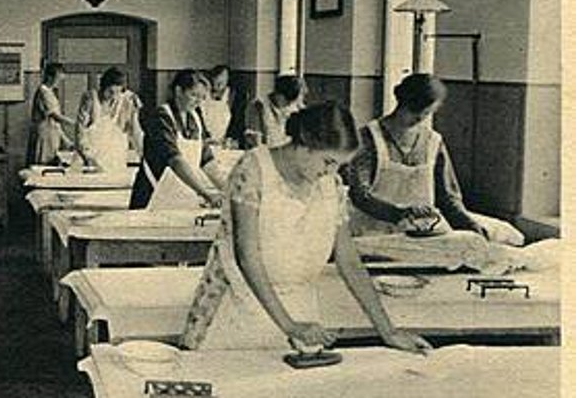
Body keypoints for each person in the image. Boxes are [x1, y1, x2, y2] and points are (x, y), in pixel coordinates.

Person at [179, 102, 431, 354]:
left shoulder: (330, 184)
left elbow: (349, 261)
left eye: (337, 166)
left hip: (300, 311)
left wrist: (388, 331)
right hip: (239, 304)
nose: (331, 172)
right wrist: (288, 325)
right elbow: (248, 258)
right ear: (305, 144)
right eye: (328, 161)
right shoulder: (254, 170)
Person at [342, 74, 525, 270]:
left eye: (426, 113)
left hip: (422, 234)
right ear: (400, 102)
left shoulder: (433, 142)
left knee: (495, 242)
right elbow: (360, 195)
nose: (419, 118)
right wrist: (401, 214)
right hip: (374, 233)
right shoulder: (368, 138)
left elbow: (447, 198)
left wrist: (472, 228)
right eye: (413, 111)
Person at [130, 69, 225, 210]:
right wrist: (205, 193)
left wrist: (227, 188)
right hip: (152, 197)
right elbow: (175, 160)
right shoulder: (161, 117)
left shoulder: (195, 119)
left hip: (181, 197)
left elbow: (206, 160)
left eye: (202, 97)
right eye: (193, 95)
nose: (198, 101)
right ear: (178, 91)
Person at [76, 67, 143, 172]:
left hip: (114, 157)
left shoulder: (125, 101)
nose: (113, 96)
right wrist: (87, 155)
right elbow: (80, 130)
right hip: (90, 155)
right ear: (103, 86)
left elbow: (135, 133)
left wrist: (143, 155)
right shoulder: (90, 98)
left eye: (117, 92)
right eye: (110, 91)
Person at [27, 62, 75, 166]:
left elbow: (55, 124)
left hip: (52, 135)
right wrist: (75, 124)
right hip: (44, 135)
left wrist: (66, 140)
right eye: (57, 78)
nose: (58, 82)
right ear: (49, 76)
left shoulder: (50, 92)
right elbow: (55, 116)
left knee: (51, 163)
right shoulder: (43, 92)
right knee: (42, 165)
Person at [244, 74, 306, 148]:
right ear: (279, 95)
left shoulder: (298, 108)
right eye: (288, 102)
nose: (289, 106)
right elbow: (253, 140)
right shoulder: (258, 107)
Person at [199, 65, 235, 147]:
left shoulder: (231, 97)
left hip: (224, 142)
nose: (218, 85)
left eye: (222, 82)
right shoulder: (204, 95)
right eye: (217, 81)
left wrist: (228, 140)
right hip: (206, 141)